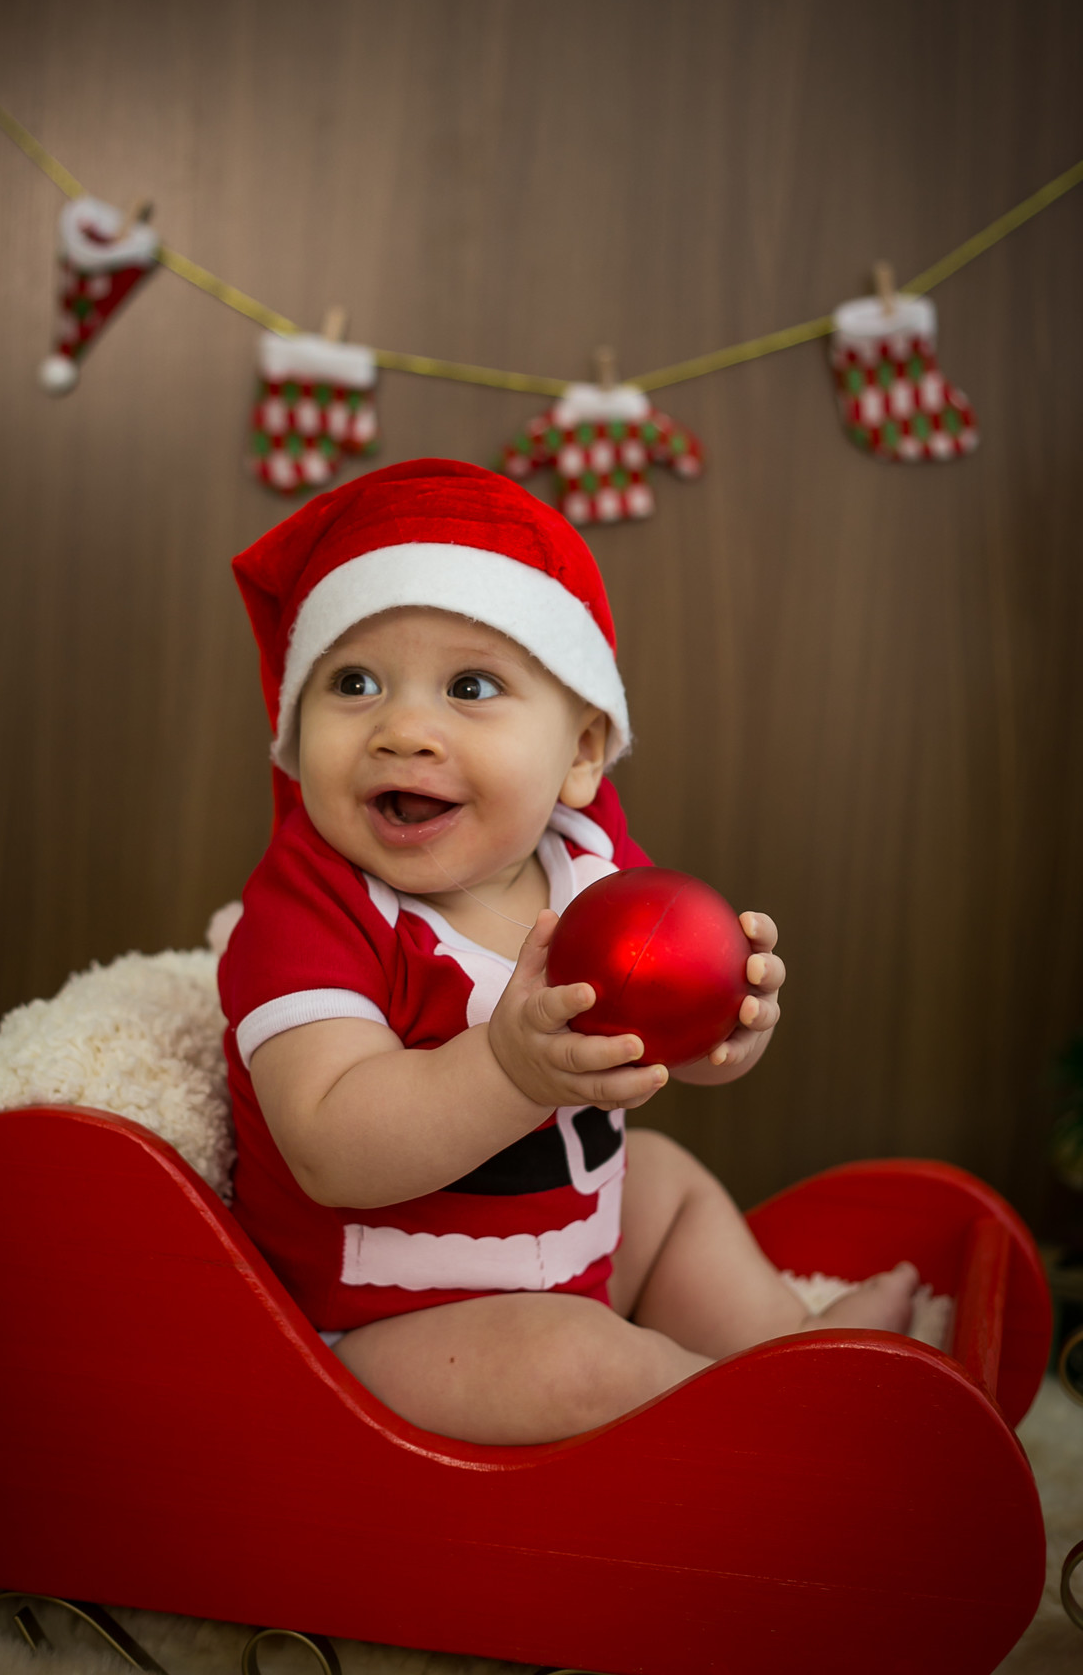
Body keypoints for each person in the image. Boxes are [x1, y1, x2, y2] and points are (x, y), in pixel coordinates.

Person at [219, 458, 918, 1446]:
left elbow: (653, 1042)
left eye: (471, 685)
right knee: (584, 1364)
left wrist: (722, 1027)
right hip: (381, 1323)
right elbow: (329, 1144)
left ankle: (781, 1340)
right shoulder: (309, 906)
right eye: (354, 681)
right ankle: (782, 1433)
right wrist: (509, 1068)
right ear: (296, 728)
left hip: (568, 1249)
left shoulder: (590, 862)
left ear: (583, 754)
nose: (402, 728)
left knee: (665, 1184)